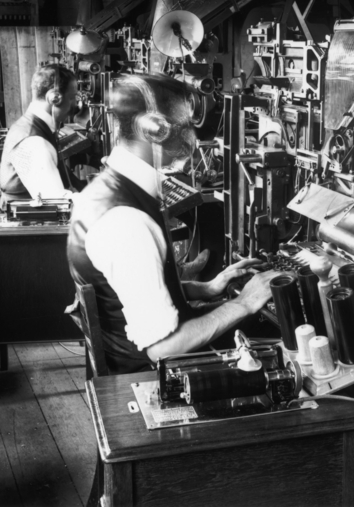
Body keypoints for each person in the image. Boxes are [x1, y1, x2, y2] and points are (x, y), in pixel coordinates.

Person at [67, 73, 277, 374]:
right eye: (186, 123)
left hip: (138, 359)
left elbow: (133, 292)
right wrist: (245, 302)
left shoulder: (108, 190)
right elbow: (163, 348)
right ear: (155, 128)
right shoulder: (127, 223)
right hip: (148, 377)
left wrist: (206, 288)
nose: (193, 135)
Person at [0, 63, 81, 205]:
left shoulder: (29, 125)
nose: (77, 104)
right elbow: (57, 201)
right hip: (31, 222)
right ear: (54, 98)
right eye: (72, 97)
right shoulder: (34, 142)